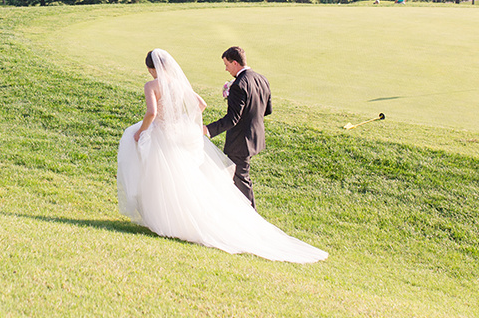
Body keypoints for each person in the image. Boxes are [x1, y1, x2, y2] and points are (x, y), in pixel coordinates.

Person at [117, 49, 327, 264]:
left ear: (152, 68)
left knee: (162, 174)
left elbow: (151, 113)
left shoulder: (151, 86)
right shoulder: (179, 84)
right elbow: (201, 104)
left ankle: (169, 219)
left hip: (163, 134)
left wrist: (141, 131)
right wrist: (184, 122)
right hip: (177, 134)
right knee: (183, 177)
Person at [204, 46, 269, 207]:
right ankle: (236, 209)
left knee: (240, 177)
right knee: (236, 175)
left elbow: (232, 119)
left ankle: (250, 215)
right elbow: (266, 110)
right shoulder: (262, 79)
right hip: (255, 137)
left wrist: (208, 129)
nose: (226, 69)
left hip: (241, 141)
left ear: (235, 63)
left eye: (227, 65)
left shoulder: (239, 85)